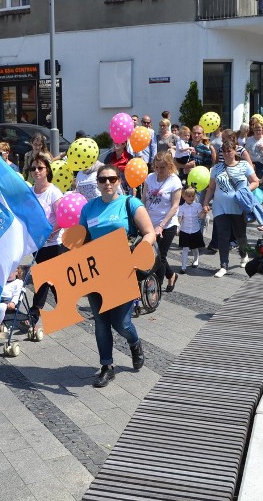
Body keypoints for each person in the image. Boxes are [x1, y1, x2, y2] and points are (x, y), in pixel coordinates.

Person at [79, 164, 156, 388]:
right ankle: (106, 366)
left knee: (121, 323)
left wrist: (140, 249)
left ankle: (134, 343)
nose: (107, 183)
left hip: (124, 271)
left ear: (119, 180)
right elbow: (82, 239)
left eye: (112, 179)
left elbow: (149, 233)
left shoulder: (129, 203)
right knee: (101, 323)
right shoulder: (89, 208)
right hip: (97, 274)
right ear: (97, 184)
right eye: (102, 180)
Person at [202, 140, 259, 278]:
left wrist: (245, 190)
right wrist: (205, 203)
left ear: (235, 151)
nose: (227, 153)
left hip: (238, 206)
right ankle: (223, 265)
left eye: (230, 150)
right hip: (220, 207)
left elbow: (256, 181)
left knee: (240, 236)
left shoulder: (244, 165)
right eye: (224, 151)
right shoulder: (216, 168)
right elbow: (211, 188)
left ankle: (244, 254)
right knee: (223, 235)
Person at [28, 153, 65, 320]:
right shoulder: (29, 192)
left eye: (40, 168)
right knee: (52, 279)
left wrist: (50, 233)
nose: (36, 171)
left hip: (53, 242)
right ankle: (64, 305)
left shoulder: (53, 192)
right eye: (33, 168)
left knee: (45, 276)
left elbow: (61, 217)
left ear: (47, 170)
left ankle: (35, 310)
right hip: (37, 243)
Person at [143, 151, 183, 291]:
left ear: (169, 166)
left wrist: (161, 226)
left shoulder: (174, 181)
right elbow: (144, 200)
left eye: (162, 168)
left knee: (160, 256)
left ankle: (156, 289)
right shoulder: (149, 178)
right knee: (153, 255)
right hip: (149, 223)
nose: (159, 171)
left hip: (167, 224)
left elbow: (175, 206)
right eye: (157, 167)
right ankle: (171, 275)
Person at [176, 186, 205, 272]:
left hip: (195, 230)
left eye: (193, 196)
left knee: (195, 248)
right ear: (184, 197)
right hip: (185, 230)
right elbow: (179, 219)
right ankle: (183, 266)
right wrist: (178, 227)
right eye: (189, 196)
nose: (191, 198)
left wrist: (205, 212)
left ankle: (196, 260)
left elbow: (201, 216)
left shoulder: (197, 205)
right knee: (185, 248)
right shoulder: (181, 207)